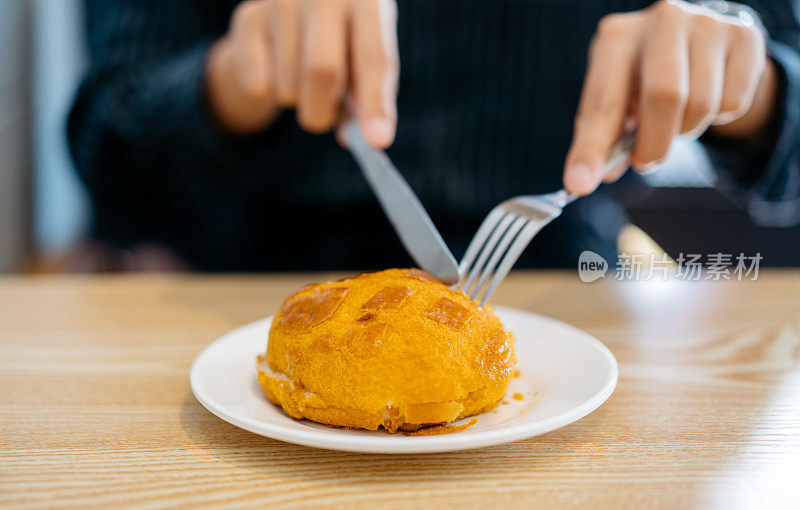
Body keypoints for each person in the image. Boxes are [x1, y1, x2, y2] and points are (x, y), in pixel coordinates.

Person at [68, 0, 800, 272]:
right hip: (236, 295)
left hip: (573, 303)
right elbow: (109, 152)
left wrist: (756, 85)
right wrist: (231, 79)